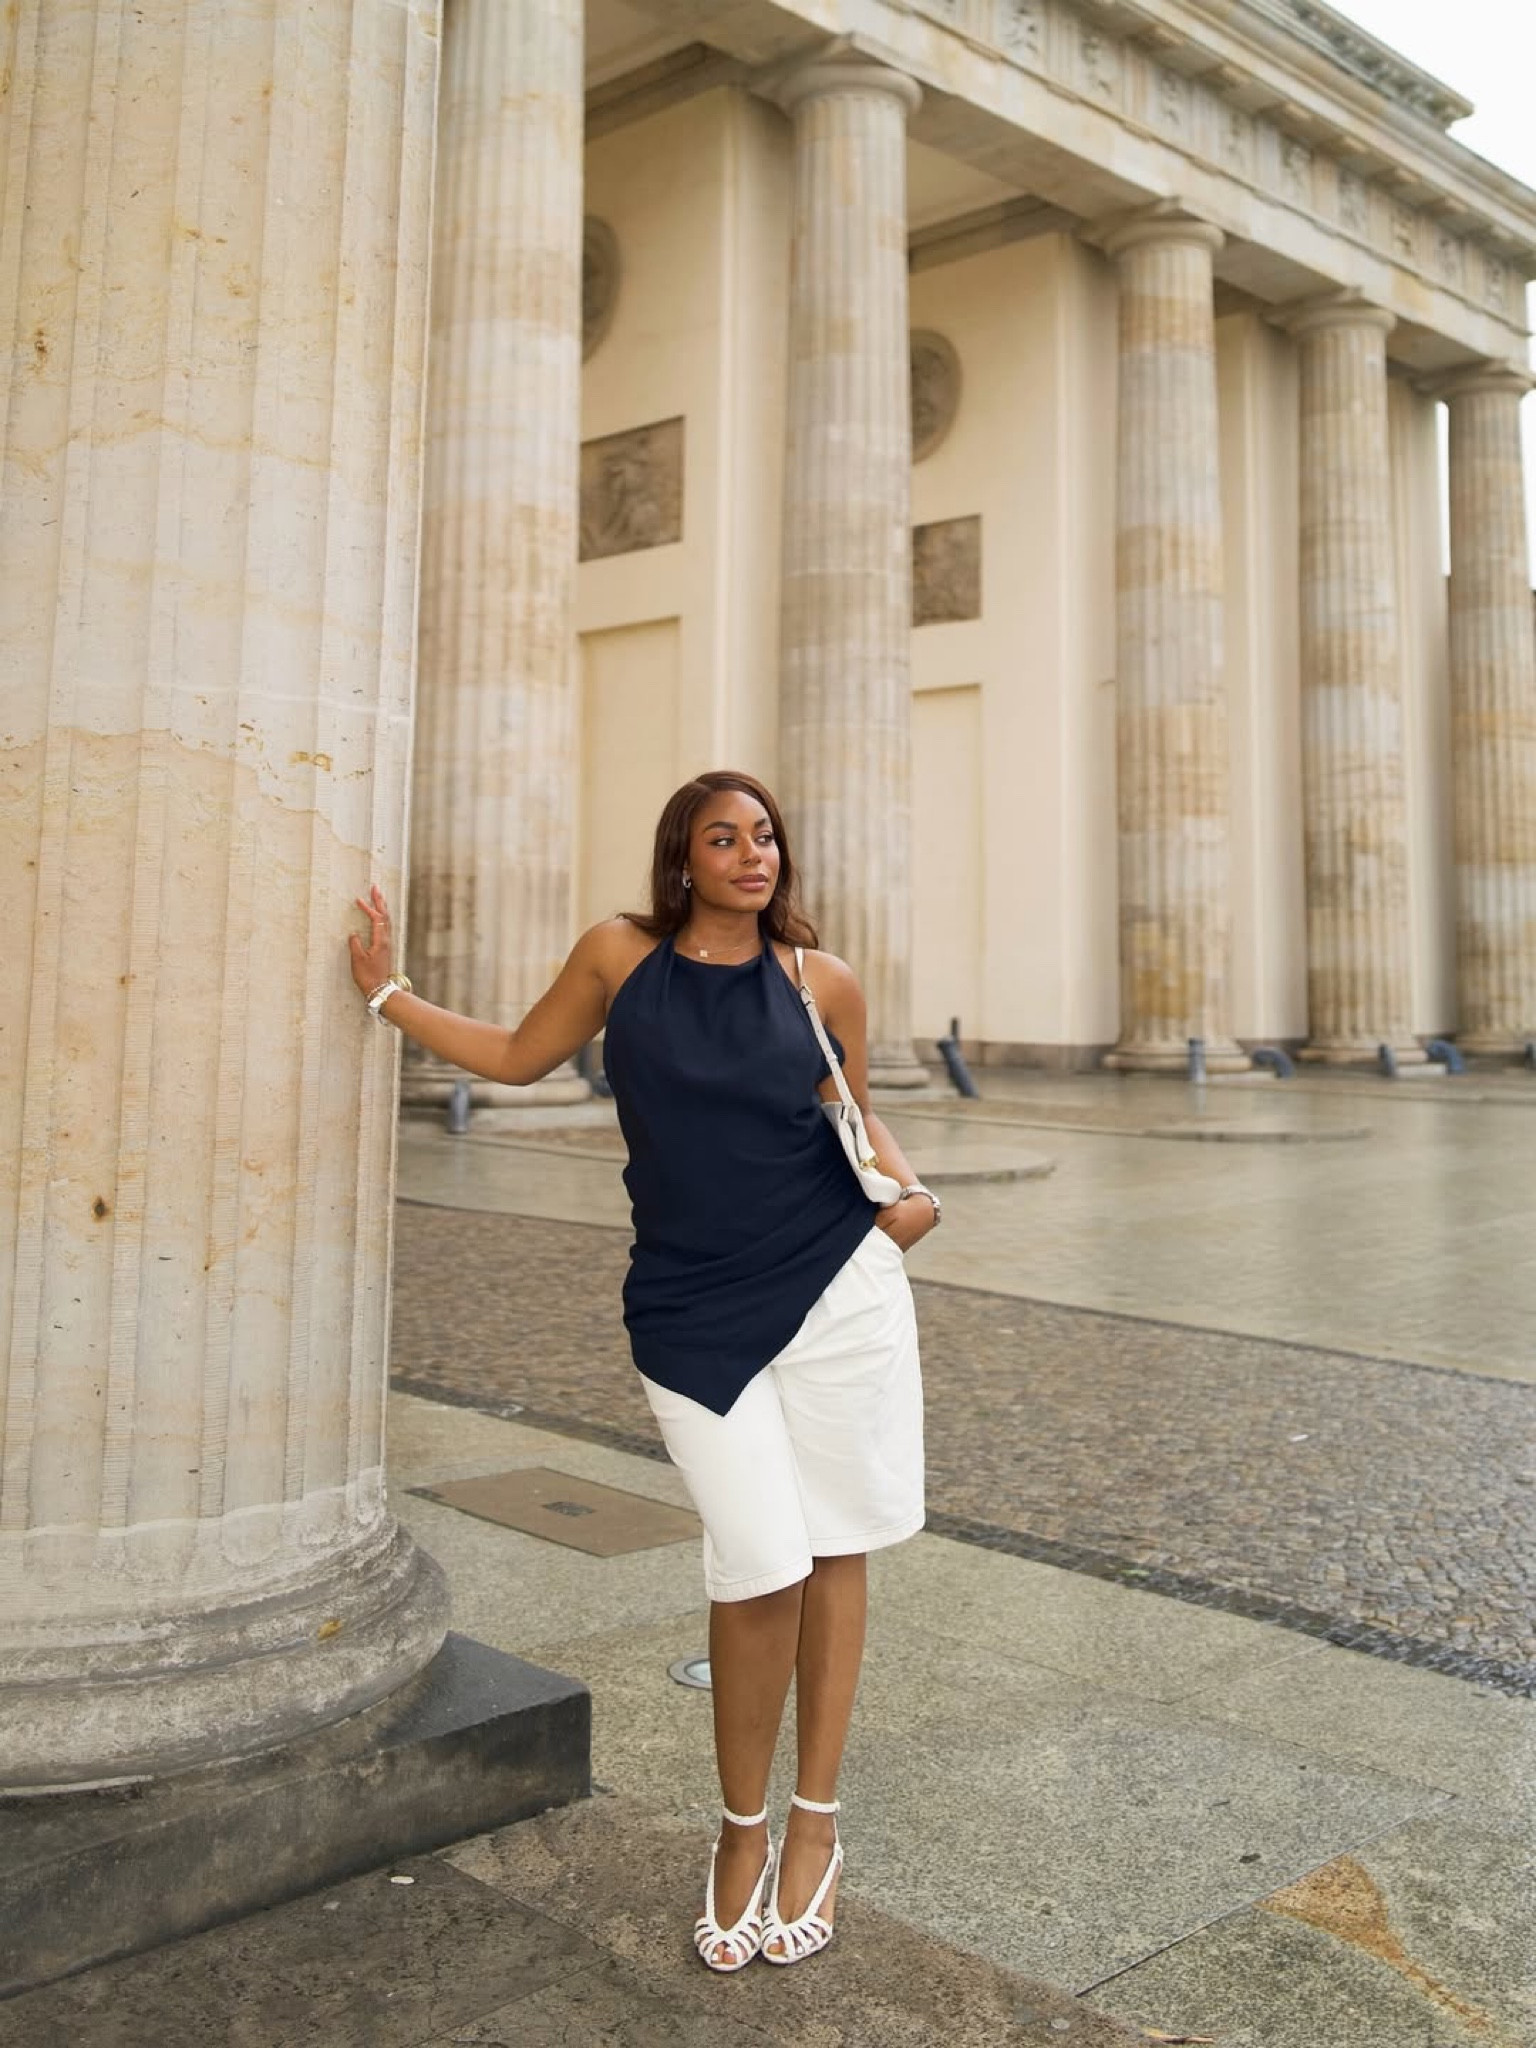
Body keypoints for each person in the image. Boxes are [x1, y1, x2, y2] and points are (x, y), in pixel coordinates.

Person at [349, 770, 936, 1971]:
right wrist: (389, 996)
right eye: (725, 837)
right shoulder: (621, 956)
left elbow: (853, 1117)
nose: (752, 853)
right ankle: (739, 1827)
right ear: (682, 857)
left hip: (834, 1295)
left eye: (765, 835)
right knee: (757, 1558)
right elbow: (517, 1055)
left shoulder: (819, 981)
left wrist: (911, 1198)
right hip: (685, 1304)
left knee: (834, 1548)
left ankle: (814, 1824)